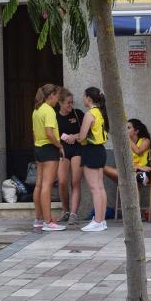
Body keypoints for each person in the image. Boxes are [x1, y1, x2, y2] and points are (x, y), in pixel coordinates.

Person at [72, 86, 110, 233]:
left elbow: (82, 136)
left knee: (95, 188)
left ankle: (98, 221)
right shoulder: (100, 112)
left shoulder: (89, 114)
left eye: (83, 95)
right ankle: (102, 220)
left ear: (88, 98)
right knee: (100, 187)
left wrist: (72, 138)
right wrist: (75, 137)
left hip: (91, 150)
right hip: (100, 150)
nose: (82, 98)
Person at [32, 83, 65, 232]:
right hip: (49, 149)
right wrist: (59, 146)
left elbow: (34, 133)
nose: (58, 99)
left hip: (38, 148)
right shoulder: (49, 111)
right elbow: (49, 133)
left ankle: (38, 219)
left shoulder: (37, 110)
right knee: (47, 185)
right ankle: (48, 221)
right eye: (57, 96)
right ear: (51, 95)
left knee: (39, 185)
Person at [56, 88, 84, 225]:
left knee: (75, 181)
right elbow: (51, 133)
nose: (70, 105)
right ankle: (65, 211)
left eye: (72, 102)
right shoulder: (55, 116)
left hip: (77, 149)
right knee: (62, 181)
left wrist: (75, 136)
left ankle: (74, 213)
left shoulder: (77, 114)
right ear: (60, 103)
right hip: (63, 150)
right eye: (68, 103)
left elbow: (87, 132)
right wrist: (62, 137)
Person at [104, 118, 151, 187]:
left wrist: (127, 138)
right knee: (104, 168)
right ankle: (124, 180)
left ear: (136, 131)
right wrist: (137, 167)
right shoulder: (125, 145)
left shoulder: (145, 141)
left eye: (128, 128)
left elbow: (138, 151)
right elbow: (124, 164)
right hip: (130, 171)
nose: (125, 130)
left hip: (144, 175)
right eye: (125, 128)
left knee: (135, 179)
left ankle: (125, 179)